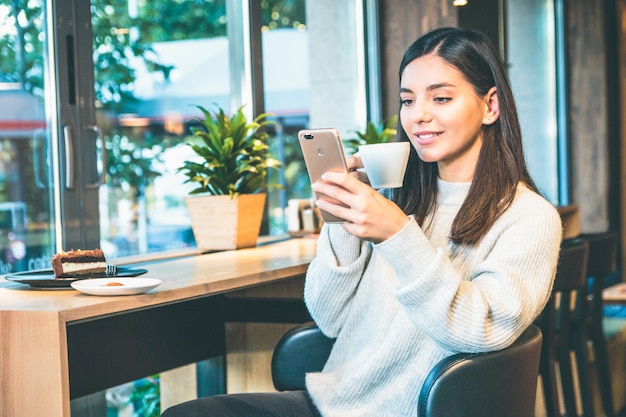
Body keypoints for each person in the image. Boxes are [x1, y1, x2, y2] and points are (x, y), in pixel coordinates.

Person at [161, 26, 562, 417]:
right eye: (407, 101)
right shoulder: (398, 198)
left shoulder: (528, 217)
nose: (418, 115)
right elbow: (329, 316)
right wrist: (341, 219)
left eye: (440, 98)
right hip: (333, 403)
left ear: (490, 106)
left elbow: (483, 329)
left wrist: (397, 235)